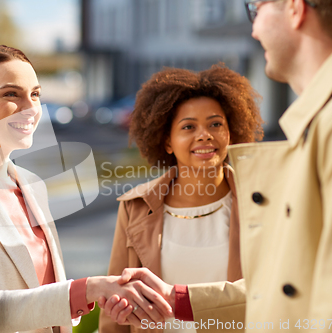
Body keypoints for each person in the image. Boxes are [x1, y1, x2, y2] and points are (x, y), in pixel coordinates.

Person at [102, 0, 332, 331]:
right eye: (188, 127)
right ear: (166, 140)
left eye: (256, 7)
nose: (254, 28)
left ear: (294, 9)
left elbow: (331, 292)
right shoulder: (322, 124)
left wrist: (175, 298)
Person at [0, 45, 173, 333]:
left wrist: (97, 299)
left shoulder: (30, 184)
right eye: (11, 94)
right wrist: (86, 290)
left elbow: (45, 287)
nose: (31, 109)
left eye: (35, 94)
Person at [98, 65, 264, 333]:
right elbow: (114, 311)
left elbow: (276, 290)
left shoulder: (265, 201)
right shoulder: (135, 207)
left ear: (230, 132)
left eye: (215, 124)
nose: (204, 134)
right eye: (188, 126)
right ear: (167, 142)